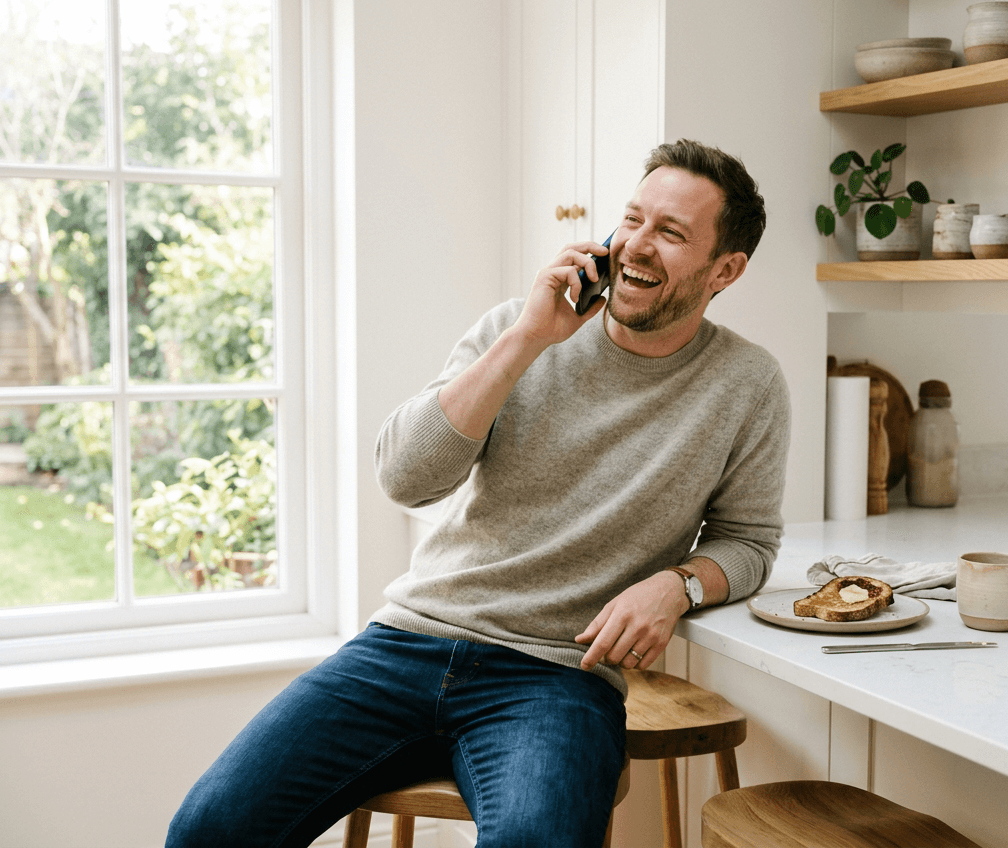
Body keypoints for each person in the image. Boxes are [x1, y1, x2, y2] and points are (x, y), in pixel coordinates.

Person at [166, 138, 790, 848]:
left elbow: (750, 542)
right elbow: (405, 477)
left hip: (557, 677)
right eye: (634, 220)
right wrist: (529, 337)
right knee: (207, 832)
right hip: (407, 643)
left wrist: (678, 585)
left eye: (671, 234)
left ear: (726, 270)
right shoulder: (514, 329)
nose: (637, 247)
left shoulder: (748, 383)